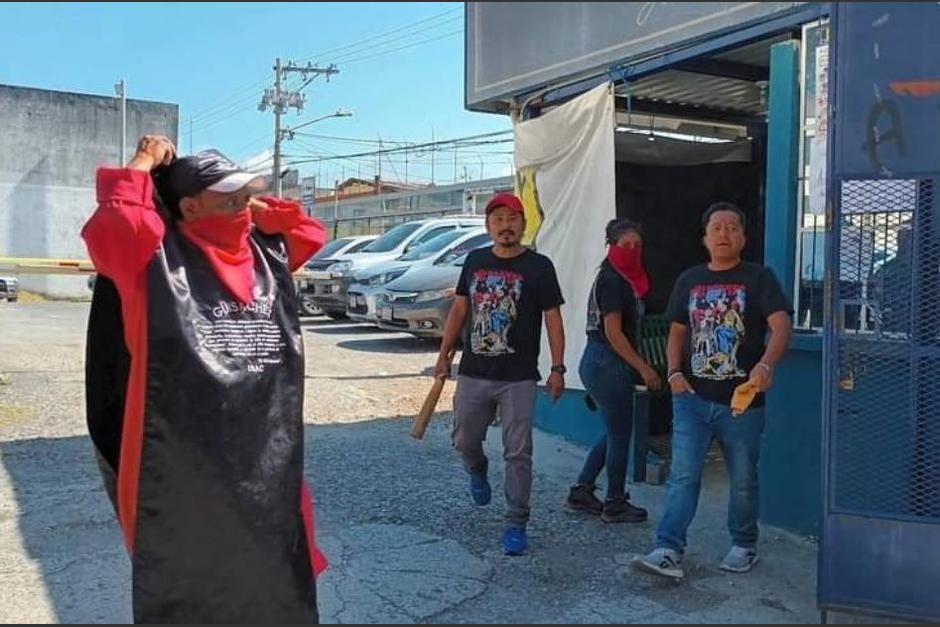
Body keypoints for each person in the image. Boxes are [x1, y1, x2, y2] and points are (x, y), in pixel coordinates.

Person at [82, 135, 328, 622]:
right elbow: (115, 222)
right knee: (190, 579)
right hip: (179, 457)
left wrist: (252, 204)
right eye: (229, 197)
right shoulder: (149, 258)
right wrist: (145, 162)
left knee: (272, 572)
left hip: (264, 454)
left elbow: (309, 231)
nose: (243, 205)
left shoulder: (265, 254)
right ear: (190, 207)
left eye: (246, 196)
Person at [633, 202, 792, 580]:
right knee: (684, 475)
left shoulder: (759, 278)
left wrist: (767, 364)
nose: (724, 233)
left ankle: (743, 544)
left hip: (743, 400)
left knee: (742, 478)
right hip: (691, 398)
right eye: (716, 228)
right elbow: (677, 331)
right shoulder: (690, 279)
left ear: (743, 237)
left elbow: (781, 325)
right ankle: (667, 548)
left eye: (732, 227)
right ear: (705, 238)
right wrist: (673, 372)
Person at [434, 192, 566, 556]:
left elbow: (553, 319)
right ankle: (476, 468)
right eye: (498, 219)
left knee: (519, 453)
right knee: (463, 439)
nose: (506, 225)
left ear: (524, 225)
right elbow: (460, 310)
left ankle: (516, 521)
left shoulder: (540, 267)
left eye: (512, 219)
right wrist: (444, 355)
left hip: (519, 376)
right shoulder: (475, 261)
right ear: (489, 226)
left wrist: (557, 368)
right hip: (475, 372)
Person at [566, 219, 662, 522]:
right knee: (622, 435)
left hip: (599, 362)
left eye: (637, 245)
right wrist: (644, 368)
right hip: (608, 361)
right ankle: (615, 502)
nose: (632, 250)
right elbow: (613, 332)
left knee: (614, 431)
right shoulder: (612, 281)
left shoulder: (620, 278)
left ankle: (582, 490)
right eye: (625, 245)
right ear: (611, 246)